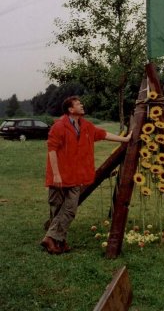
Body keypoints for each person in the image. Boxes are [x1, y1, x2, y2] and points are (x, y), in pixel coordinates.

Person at [40, 96, 132, 255]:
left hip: (76, 177)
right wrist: (56, 174)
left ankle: (50, 238)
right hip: (59, 177)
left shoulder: (86, 126)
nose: (82, 105)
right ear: (70, 109)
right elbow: (52, 151)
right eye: (78, 104)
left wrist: (125, 139)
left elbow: (103, 134)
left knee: (69, 210)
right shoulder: (59, 126)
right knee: (57, 210)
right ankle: (58, 243)